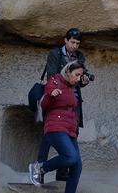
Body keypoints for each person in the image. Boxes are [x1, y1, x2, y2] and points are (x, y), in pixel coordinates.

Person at [38, 28, 92, 181]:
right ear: (65, 40)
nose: (75, 46)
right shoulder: (55, 54)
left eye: (78, 43)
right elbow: (52, 77)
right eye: (73, 42)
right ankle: (39, 171)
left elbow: (79, 83)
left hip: (73, 102)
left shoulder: (79, 57)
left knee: (71, 135)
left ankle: (62, 175)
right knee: (47, 138)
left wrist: (84, 81)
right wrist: (57, 91)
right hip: (56, 99)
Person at [28, 62, 85, 192]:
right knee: (70, 157)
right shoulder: (55, 81)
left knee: (77, 166)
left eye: (80, 76)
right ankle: (40, 168)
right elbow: (44, 105)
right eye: (76, 75)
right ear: (68, 71)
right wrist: (51, 95)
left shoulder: (72, 87)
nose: (78, 79)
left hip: (70, 130)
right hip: (55, 127)